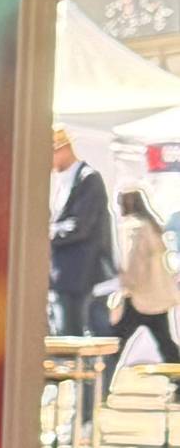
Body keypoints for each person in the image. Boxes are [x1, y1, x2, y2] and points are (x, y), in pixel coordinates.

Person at [106, 188, 180, 393]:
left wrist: (125, 286)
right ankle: (179, 386)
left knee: (115, 344)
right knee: (165, 344)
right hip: (156, 298)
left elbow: (133, 263)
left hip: (137, 297)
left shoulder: (133, 227)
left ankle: (100, 386)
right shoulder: (152, 226)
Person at [52, 128, 114, 338]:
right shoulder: (65, 181)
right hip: (68, 279)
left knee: (77, 337)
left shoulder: (88, 179)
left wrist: (45, 233)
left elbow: (80, 226)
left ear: (63, 150)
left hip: (82, 279)